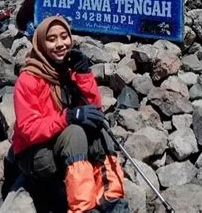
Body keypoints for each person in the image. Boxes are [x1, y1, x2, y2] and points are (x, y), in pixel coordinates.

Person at [11, 16, 128, 212]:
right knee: (75, 132)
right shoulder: (28, 79)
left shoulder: (68, 68)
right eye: (52, 39)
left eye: (64, 36)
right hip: (36, 154)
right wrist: (68, 117)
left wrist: (83, 74)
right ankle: (82, 207)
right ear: (40, 44)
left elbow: (95, 109)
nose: (60, 44)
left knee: (99, 125)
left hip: (61, 144)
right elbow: (28, 129)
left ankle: (111, 197)